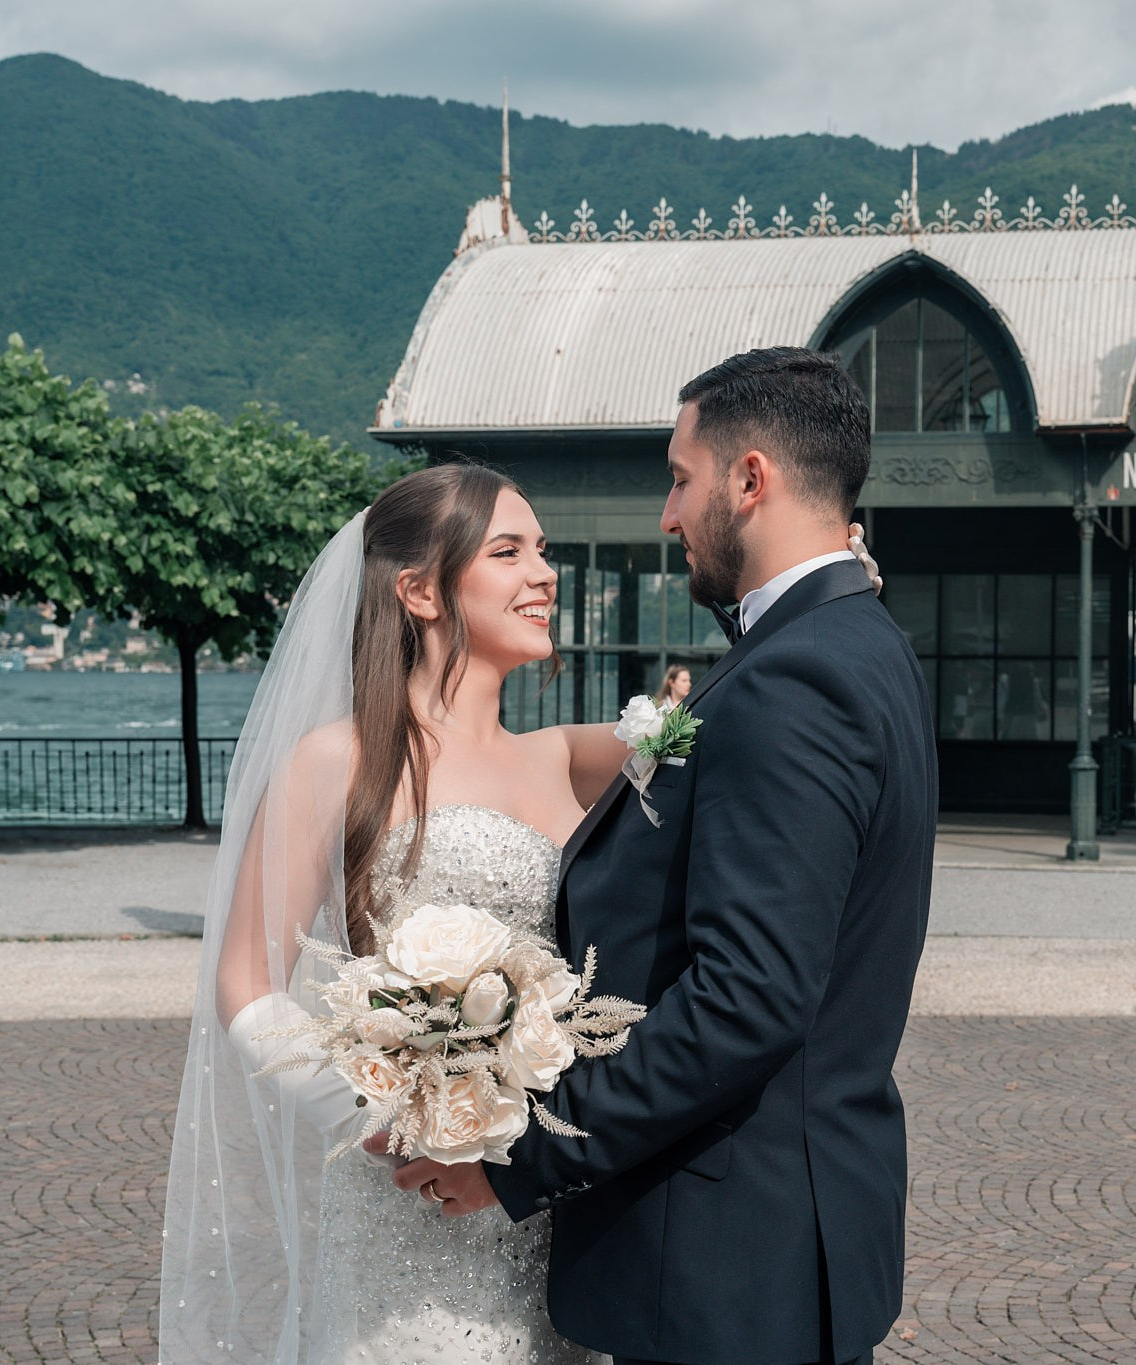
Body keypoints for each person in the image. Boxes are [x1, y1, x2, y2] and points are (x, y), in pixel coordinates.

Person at [160, 462, 885, 1363]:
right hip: (409, 1197)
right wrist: (384, 1118)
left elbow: (746, 716)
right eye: (508, 551)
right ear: (419, 590)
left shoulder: (568, 758)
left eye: (542, 550)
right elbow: (244, 977)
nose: (545, 572)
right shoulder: (334, 759)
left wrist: (841, 573)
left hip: (552, 1202)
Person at [389, 348, 937, 1365]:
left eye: (680, 478)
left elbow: (745, 1001)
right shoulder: (860, 646)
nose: (666, 514)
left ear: (750, 479)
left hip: (727, 1267)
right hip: (777, 1241)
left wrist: (518, 1160)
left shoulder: (793, 682)